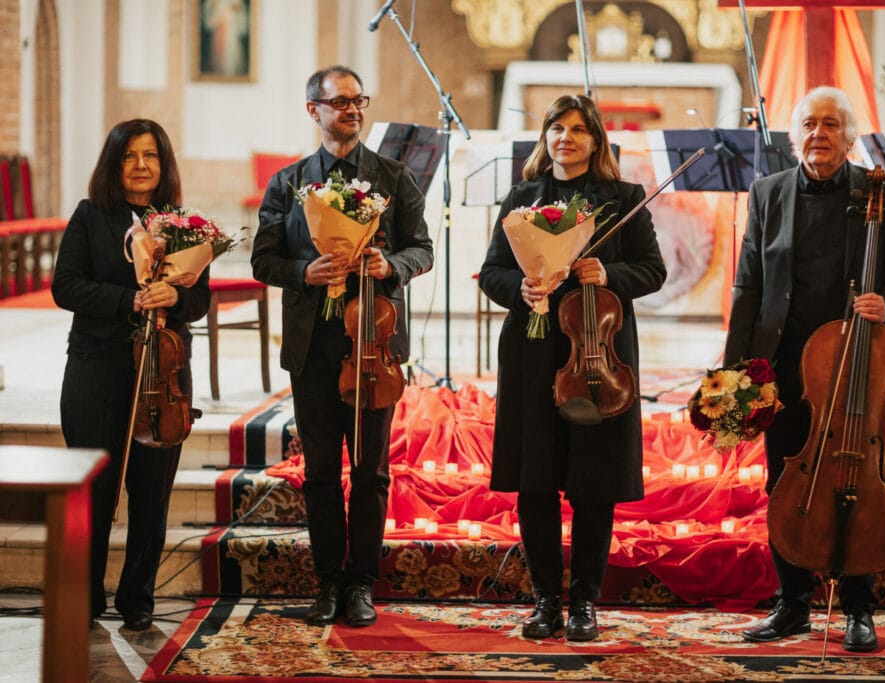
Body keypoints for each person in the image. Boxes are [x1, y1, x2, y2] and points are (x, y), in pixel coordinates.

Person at [723, 87, 885, 652]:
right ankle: (792, 605)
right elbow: (749, 286)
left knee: (852, 483)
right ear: (794, 135)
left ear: (851, 136)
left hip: (857, 366)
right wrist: (737, 369)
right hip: (784, 364)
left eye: (832, 125)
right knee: (784, 481)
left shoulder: (880, 193)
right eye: (810, 124)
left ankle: (859, 607)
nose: (820, 134)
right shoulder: (767, 193)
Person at [478, 94, 667, 641]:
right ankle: (544, 601)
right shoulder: (522, 198)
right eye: (557, 128)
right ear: (545, 137)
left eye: (579, 130)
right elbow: (491, 272)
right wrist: (519, 285)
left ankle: (583, 602)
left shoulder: (624, 199)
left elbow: (653, 270)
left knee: (593, 482)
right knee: (535, 481)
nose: (567, 138)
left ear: (596, 139)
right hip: (533, 353)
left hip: (596, 355)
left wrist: (607, 274)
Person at [251, 65, 433, 627]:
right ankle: (328, 581)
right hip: (314, 347)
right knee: (323, 472)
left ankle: (361, 584)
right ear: (315, 110)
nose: (353, 109)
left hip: (373, 345)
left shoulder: (393, 176)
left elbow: (422, 249)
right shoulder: (289, 182)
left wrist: (390, 263)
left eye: (359, 101)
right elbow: (262, 259)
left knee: (372, 472)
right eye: (341, 102)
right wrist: (305, 271)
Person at [51, 119, 211, 631]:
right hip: (97, 367)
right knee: (93, 489)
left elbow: (200, 299)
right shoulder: (91, 216)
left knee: (151, 490)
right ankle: (86, 593)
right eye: (129, 156)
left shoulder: (186, 224)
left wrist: (178, 296)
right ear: (113, 163)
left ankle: (137, 597)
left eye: (151, 156)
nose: (141, 166)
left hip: (163, 372)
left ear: (163, 165)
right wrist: (132, 300)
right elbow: (66, 287)